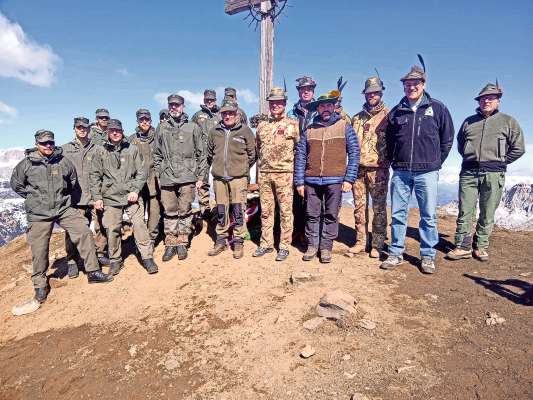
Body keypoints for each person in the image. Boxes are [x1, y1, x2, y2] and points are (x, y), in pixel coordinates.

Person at [10, 130, 112, 305]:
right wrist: (34, 199)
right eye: (44, 143)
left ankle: (93, 271)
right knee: (39, 249)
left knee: (83, 231)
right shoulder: (25, 164)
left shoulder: (63, 161)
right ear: (37, 144)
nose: (48, 146)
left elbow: (72, 182)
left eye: (50, 142)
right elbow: (17, 185)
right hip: (39, 214)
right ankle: (40, 285)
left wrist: (62, 198)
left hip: (63, 209)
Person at [381, 61, 454, 274]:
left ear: (423, 84)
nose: (411, 87)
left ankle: (428, 255)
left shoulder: (437, 108)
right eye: (407, 84)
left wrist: (435, 162)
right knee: (398, 214)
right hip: (401, 171)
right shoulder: (397, 111)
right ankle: (395, 253)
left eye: (415, 83)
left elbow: (447, 139)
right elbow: (390, 140)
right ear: (403, 86)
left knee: (428, 214)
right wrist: (395, 162)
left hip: (427, 171)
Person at [446, 83, 525, 262]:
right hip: (469, 172)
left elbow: (518, 148)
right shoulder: (468, 121)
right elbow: (461, 145)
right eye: (483, 99)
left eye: (490, 98)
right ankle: (462, 246)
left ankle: (480, 246)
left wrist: (501, 161)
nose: (486, 101)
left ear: (498, 100)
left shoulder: (508, 121)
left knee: (488, 211)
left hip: (494, 173)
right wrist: (470, 156)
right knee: (465, 210)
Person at [294, 90, 360, 263]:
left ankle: (326, 247)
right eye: (322, 105)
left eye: (329, 105)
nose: (326, 108)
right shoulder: (309, 130)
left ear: (334, 107)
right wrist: (299, 182)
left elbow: (354, 154)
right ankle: (312, 246)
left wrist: (349, 179)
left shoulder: (345, 127)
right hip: (312, 180)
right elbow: (300, 156)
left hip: (335, 180)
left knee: (331, 214)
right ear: (318, 108)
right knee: (311, 214)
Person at [89, 119, 158, 275]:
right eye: (112, 130)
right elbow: (94, 176)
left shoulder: (132, 149)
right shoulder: (100, 151)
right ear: (108, 132)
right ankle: (115, 260)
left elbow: (142, 172)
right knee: (112, 228)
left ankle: (147, 257)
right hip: (110, 196)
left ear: (122, 131)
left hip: (131, 195)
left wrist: (135, 190)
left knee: (140, 225)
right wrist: (97, 197)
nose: (115, 133)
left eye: (118, 130)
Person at [153, 94, 207, 262]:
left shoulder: (193, 127)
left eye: (177, 105)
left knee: (185, 211)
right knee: (169, 212)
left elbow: (202, 154)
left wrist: (200, 176)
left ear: (183, 106)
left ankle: (182, 242)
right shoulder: (161, 128)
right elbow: (157, 154)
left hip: (187, 177)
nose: (174, 108)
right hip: (168, 177)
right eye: (171, 105)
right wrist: (159, 174)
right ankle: (170, 244)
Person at [345, 76, 390, 259]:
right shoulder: (356, 118)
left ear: (380, 93)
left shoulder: (389, 116)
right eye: (369, 93)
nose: (372, 95)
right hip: (358, 170)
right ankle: (360, 241)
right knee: (359, 207)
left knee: (379, 208)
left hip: (379, 170)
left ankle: (377, 244)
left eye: (375, 92)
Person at [254, 87, 299, 261]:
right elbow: (259, 149)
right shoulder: (262, 126)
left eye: (279, 102)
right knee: (266, 211)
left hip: (284, 174)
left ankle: (284, 246)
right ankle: (266, 244)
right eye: (272, 102)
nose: (275, 105)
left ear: (285, 104)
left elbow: (299, 148)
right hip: (265, 174)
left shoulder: (293, 125)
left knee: (286, 212)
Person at [207, 99, 256, 259]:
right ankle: (220, 240)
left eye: (231, 113)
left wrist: (240, 168)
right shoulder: (214, 131)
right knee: (221, 209)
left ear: (236, 114)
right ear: (221, 114)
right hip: (219, 178)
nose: (228, 116)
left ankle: (238, 241)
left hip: (238, 178)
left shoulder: (245, 131)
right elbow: (209, 154)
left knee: (238, 210)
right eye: (225, 113)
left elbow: (252, 154)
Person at [62, 117, 105, 278]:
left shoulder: (97, 148)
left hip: (95, 196)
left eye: (85, 127)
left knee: (101, 226)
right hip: (75, 198)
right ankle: (72, 260)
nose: (82, 130)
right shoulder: (65, 149)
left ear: (89, 129)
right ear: (74, 128)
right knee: (73, 231)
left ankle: (99, 254)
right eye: (79, 127)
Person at [288, 75, 318, 246]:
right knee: (296, 199)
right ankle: (297, 231)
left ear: (313, 91)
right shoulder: (291, 113)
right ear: (299, 91)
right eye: (302, 89)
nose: (306, 92)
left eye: (309, 89)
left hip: (314, 161)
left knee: (313, 200)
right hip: (295, 162)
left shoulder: (320, 111)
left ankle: (310, 234)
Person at [128, 109, 162, 245]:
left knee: (154, 213)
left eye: (146, 119)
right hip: (138, 186)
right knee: (138, 216)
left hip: (155, 182)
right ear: (137, 121)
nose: (144, 122)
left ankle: (152, 239)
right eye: (141, 120)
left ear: (151, 120)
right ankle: (141, 241)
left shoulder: (159, 137)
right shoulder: (131, 140)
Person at [192, 89, 221, 219]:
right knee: (202, 180)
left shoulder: (220, 114)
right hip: (202, 154)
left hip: (217, 152)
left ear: (215, 100)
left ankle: (219, 207)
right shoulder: (197, 115)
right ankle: (205, 209)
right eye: (207, 99)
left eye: (212, 99)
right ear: (204, 100)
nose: (209, 101)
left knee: (219, 179)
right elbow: (191, 134)